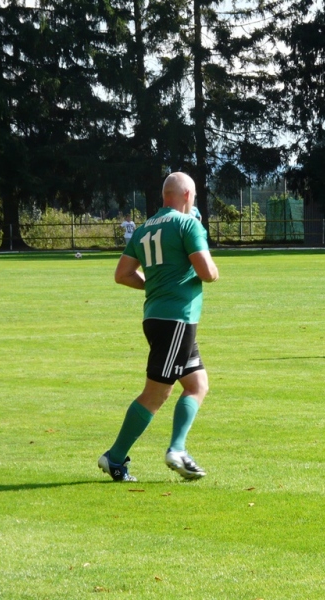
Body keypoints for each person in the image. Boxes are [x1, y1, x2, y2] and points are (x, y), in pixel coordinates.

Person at [98, 172, 219, 482]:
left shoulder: (144, 228)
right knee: (156, 394)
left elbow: (122, 274)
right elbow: (207, 273)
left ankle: (178, 447)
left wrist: (156, 283)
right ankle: (114, 457)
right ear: (189, 195)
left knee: (197, 384)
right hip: (176, 319)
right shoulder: (188, 224)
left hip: (158, 317)